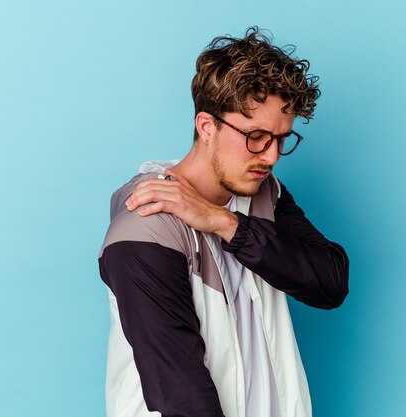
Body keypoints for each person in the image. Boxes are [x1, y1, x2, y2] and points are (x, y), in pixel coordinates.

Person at [98, 27, 349, 417]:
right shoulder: (144, 227)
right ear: (206, 126)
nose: (270, 157)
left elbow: (330, 283)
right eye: (255, 136)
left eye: (281, 139)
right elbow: (181, 397)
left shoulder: (266, 194)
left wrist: (225, 223)